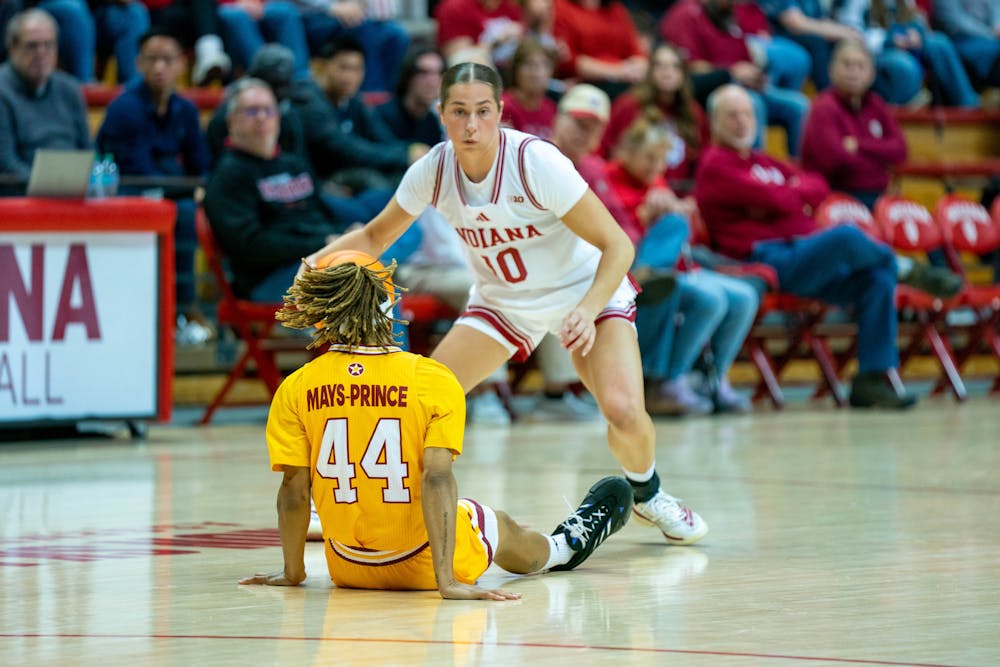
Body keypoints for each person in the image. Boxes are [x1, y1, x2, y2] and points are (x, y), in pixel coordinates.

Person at [302, 62, 710, 545]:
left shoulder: (536, 162)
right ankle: (340, 504)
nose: (471, 125)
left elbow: (618, 245)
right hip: (503, 302)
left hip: (584, 292)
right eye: (459, 112)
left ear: (499, 113)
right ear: (442, 114)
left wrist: (586, 308)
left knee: (622, 409)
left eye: (482, 112)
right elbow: (373, 234)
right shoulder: (433, 170)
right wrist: (313, 264)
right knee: (419, 403)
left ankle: (648, 493)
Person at [239, 252, 633, 597]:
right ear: (389, 307)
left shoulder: (296, 386)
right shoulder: (431, 377)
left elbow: (293, 491)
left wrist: (293, 573)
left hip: (348, 568)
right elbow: (437, 479)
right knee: (496, 522)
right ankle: (565, 545)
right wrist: (447, 581)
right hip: (422, 566)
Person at [695, 84, 959, 409]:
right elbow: (775, 196)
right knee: (845, 236)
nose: (742, 121)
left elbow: (818, 185)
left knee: (876, 278)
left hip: (804, 258)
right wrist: (788, 193)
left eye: (747, 114)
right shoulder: (714, 164)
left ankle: (871, 381)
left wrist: (787, 192)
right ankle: (905, 267)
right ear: (714, 123)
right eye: (732, 115)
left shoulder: (765, 162)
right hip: (762, 261)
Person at [607, 116, 757, 415]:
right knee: (709, 298)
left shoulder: (655, 181)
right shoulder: (608, 179)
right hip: (632, 265)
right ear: (627, 152)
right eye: (649, 158)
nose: (655, 167)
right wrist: (649, 217)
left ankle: (710, 378)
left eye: (661, 160)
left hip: (675, 268)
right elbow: (617, 230)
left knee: (744, 296)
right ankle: (669, 379)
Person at [96, 30, 212, 345]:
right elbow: (141, 174)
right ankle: (178, 311)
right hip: (124, 196)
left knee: (197, 209)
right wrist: (182, 182)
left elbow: (201, 168)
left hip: (169, 197)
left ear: (181, 66)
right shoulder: (125, 109)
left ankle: (187, 312)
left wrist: (185, 182)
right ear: (138, 64)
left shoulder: (186, 111)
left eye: (168, 59)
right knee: (186, 211)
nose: (159, 66)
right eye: (152, 59)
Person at [203, 78, 347, 302]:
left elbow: (323, 214)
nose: (261, 117)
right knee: (361, 282)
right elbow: (251, 247)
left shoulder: (295, 164)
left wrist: (346, 236)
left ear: (278, 118)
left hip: (321, 257)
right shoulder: (228, 176)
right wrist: (323, 244)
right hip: (269, 278)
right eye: (251, 111)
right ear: (232, 121)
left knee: (385, 255)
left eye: (268, 110)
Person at [660, 0, 811, 157]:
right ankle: (753, 168)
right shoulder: (686, 13)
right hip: (714, 88)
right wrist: (730, 72)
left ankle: (797, 171)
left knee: (799, 105)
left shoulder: (730, 12)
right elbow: (690, 67)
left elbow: (746, 51)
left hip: (745, 84)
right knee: (751, 104)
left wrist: (756, 75)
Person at [801, 39, 907, 210]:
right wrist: (880, 162)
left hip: (878, 197)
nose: (854, 72)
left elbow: (900, 151)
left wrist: (859, 145)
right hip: (835, 199)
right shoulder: (823, 107)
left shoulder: (876, 104)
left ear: (872, 73)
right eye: (847, 64)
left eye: (860, 66)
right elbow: (836, 161)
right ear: (831, 70)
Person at [601, 42, 711, 193]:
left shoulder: (694, 112)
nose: (668, 72)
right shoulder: (630, 105)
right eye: (660, 66)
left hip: (680, 193)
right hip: (633, 189)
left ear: (683, 74)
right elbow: (610, 150)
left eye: (675, 66)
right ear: (650, 71)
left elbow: (703, 159)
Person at [836, 0, 980, 108]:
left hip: (906, 44)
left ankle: (967, 103)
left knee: (940, 43)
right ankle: (910, 104)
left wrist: (917, 34)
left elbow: (918, 20)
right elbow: (851, 31)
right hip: (874, 52)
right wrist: (889, 40)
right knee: (903, 64)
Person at [0, 8, 89, 181]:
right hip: (21, 197)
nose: (41, 53)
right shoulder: (2, 93)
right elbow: (5, 165)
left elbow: (88, 152)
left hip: (73, 192)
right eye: (32, 45)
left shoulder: (69, 89)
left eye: (48, 45)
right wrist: (51, 185)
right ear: (12, 46)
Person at [931, 0, 1000, 88]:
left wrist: (997, 26)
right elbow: (955, 22)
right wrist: (989, 33)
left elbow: (996, 6)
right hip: (961, 39)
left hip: (991, 37)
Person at [500, 37, 558, 139]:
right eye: (529, 64)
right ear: (516, 70)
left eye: (544, 65)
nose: (537, 72)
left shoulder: (551, 109)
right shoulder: (502, 106)